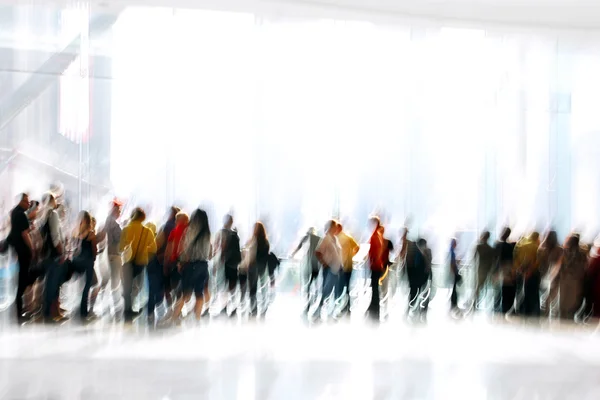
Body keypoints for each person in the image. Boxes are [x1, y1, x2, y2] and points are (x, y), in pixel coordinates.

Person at [172, 209, 213, 322]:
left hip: (192, 265)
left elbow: (185, 249)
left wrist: (181, 262)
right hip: (203, 266)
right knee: (199, 294)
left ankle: (174, 319)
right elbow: (210, 254)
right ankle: (197, 319)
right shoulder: (207, 233)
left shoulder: (189, 230)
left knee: (185, 294)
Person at [118, 207, 157, 321]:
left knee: (127, 288)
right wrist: (144, 251)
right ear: (142, 217)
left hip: (127, 262)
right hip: (140, 263)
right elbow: (153, 249)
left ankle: (127, 311)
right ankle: (130, 309)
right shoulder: (147, 231)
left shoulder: (126, 229)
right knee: (137, 287)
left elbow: (120, 248)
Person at [40, 192, 68, 321]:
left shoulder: (44, 216)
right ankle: (52, 314)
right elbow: (56, 237)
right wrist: (61, 252)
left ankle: (49, 312)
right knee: (54, 285)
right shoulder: (53, 214)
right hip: (54, 255)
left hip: (46, 255)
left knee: (49, 284)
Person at [9, 193, 34, 321]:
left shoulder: (13, 212)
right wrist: (32, 248)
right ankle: (19, 313)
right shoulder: (22, 215)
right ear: (21, 201)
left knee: (19, 281)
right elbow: (25, 234)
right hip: (23, 252)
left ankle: (18, 311)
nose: (28, 204)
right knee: (22, 282)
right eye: (26, 201)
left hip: (15, 251)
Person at [71, 211, 98, 321]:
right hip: (88, 263)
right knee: (87, 288)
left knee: (79, 287)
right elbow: (94, 250)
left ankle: (77, 310)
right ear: (88, 220)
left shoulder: (75, 232)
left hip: (77, 262)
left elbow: (72, 247)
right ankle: (84, 312)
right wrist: (94, 257)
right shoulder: (91, 234)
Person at [214, 214, 242, 316]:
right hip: (234, 264)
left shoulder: (222, 232)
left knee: (223, 287)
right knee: (232, 287)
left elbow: (219, 247)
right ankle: (234, 308)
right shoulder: (235, 234)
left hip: (225, 263)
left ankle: (224, 308)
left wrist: (216, 263)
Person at [98, 199, 123, 309]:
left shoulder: (106, 222)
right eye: (118, 210)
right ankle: (114, 304)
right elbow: (119, 239)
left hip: (107, 254)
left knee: (106, 280)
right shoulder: (113, 223)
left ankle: (100, 302)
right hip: (114, 254)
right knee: (115, 281)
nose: (120, 213)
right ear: (114, 210)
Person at [291, 227, 322, 314]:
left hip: (308, 265)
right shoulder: (319, 239)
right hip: (316, 265)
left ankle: (308, 302)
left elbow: (299, 247)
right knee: (314, 283)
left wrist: (293, 255)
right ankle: (314, 301)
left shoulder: (306, 237)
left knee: (307, 285)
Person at [315, 220, 342, 319]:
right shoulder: (326, 238)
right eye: (335, 227)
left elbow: (338, 253)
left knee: (335, 291)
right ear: (330, 228)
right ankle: (319, 311)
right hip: (329, 269)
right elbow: (318, 252)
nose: (336, 228)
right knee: (326, 291)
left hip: (336, 269)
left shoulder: (335, 239)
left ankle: (332, 312)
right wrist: (325, 264)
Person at [557, 234, 587, 320]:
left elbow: (560, 266)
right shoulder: (582, 253)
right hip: (576, 281)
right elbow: (584, 268)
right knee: (572, 305)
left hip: (565, 280)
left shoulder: (564, 252)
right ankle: (569, 322)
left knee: (563, 304)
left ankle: (563, 323)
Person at [155, 206, 180, 307]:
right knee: (175, 287)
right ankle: (177, 309)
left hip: (165, 259)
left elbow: (158, 243)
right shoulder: (182, 227)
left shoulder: (166, 226)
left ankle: (170, 309)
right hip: (177, 261)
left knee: (166, 287)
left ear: (171, 214)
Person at [246, 222, 270, 316]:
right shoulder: (266, 242)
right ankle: (264, 309)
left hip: (253, 267)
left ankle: (253, 310)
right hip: (263, 267)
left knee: (253, 290)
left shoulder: (253, 241)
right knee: (264, 289)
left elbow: (249, 253)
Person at [514, 232, 541, 316]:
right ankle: (533, 312)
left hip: (520, 272)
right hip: (532, 274)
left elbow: (515, 259)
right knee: (532, 293)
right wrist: (529, 271)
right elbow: (536, 261)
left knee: (521, 292)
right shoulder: (535, 247)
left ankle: (521, 310)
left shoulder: (519, 245)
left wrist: (519, 269)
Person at [537, 230, 563, 316]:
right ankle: (552, 317)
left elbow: (539, 262)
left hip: (543, 275)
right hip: (555, 276)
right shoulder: (560, 250)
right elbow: (560, 264)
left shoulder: (541, 249)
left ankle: (543, 315)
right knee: (553, 298)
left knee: (543, 298)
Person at [335, 223, 359, 313]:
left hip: (340, 267)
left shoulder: (337, 239)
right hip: (349, 265)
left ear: (337, 229)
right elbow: (357, 247)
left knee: (339, 287)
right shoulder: (348, 238)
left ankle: (340, 307)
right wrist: (352, 255)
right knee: (347, 286)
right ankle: (347, 307)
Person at [494, 227, 516, 313]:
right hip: (506, 271)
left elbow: (495, 258)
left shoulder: (497, 245)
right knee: (506, 291)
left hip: (498, 270)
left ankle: (496, 309)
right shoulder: (509, 246)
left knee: (498, 292)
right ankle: (505, 309)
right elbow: (511, 261)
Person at [367, 217, 384, 321]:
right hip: (377, 266)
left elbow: (375, 253)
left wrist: (372, 261)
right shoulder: (378, 235)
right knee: (375, 288)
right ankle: (374, 308)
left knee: (374, 288)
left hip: (375, 266)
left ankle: (374, 309)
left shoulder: (374, 236)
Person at [473, 231, 495, 307]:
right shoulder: (491, 249)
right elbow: (492, 262)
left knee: (477, 286)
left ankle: (475, 301)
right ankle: (477, 301)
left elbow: (473, 259)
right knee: (481, 286)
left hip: (479, 269)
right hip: (486, 270)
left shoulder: (478, 247)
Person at [449, 238, 461, 311]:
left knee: (453, 289)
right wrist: (455, 273)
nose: (456, 245)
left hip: (451, 273)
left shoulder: (450, 251)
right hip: (453, 273)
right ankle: (454, 303)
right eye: (456, 243)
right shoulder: (452, 252)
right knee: (454, 289)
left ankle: (453, 303)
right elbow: (452, 264)